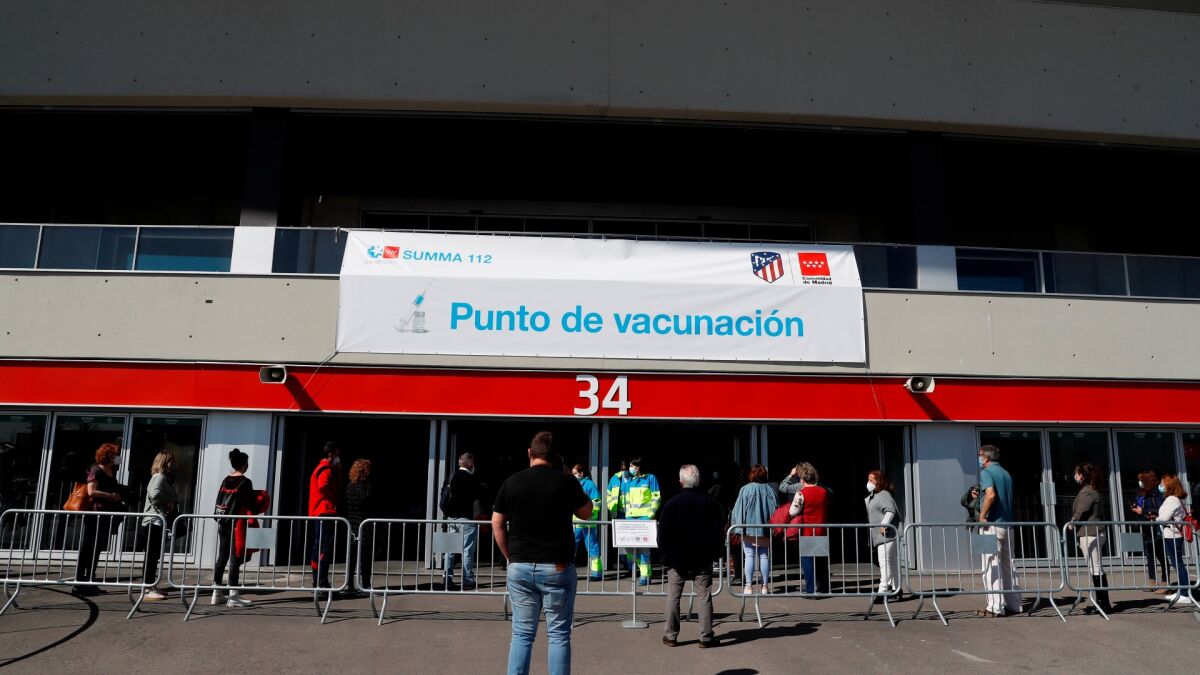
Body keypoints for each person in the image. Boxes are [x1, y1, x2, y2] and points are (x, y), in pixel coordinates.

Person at [491, 431, 592, 675]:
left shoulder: (512, 482)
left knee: (522, 634)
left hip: (520, 566)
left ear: (529, 452)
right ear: (555, 457)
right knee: (558, 634)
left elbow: (497, 522)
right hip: (557, 566)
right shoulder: (565, 482)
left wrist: (510, 556)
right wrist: (570, 475)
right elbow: (587, 512)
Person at [659, 464, 724, 649]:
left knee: (673, 597)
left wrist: (664, 555)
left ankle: (670, 636)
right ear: (699, 481)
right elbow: (717, 531)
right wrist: (715, 554)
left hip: (676, 558)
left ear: (681, 482)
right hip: (702, 558)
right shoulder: (709, 502)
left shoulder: (671, 503)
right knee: (704, 597)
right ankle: (705, 636)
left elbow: (662, 533)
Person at [71, 443, 127, 597]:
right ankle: (79, 582)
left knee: (97, 548)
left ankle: (90, 580)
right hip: (95, 514)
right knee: (88, 547)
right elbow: (92, 491)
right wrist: (110, 496)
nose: (118, 457)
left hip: (106, 514)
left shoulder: (110, 471)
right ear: (109, 456)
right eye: (116, 454)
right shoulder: (96, 470)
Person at [977, 444, 1023, 617]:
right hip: (1007, 524)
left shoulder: (986, 472)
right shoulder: (1005, 473)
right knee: (1008, 564)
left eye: (980, 455)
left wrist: (982, 516)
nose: (979, 458)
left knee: (990, 565)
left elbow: (991, 494)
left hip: (990, 525)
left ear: (986, 458)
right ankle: (1015, 604)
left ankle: (995, 607)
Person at [212, 448, 255, 608]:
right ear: (244, 465)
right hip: (237, 524)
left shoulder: (226, 480)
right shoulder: (245, 482)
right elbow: (251, 503)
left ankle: (216, 594)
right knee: (235, 558)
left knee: (222, 556)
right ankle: (233, 596)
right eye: (247, 463)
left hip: (223, 522)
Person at [1068, 463, 1111, 613]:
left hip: (1091, 533)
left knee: (1096, 567)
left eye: (1077, 473)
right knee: (1095, 567)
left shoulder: (1087, 491)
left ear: (1082, 475)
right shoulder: (1089, 490)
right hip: (1092, 532)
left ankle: (1103, 604)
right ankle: (1101, 603)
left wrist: (1072, 522)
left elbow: (1082, 510)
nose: (1075, 476)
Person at [611, 458, 661, 585]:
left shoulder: (650, 478)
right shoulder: (630, 481)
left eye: (632, 466)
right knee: (630, 550)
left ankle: (645, 574)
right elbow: (624, 498)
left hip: (645, 518)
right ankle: (645, 571)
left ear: (638, 467)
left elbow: (656, 497)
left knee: (644, 550)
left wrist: (651, 514)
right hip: (630, 518)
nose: (630, 468)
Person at [732, 464, 776, 595]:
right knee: (764, 556)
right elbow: (775, 509)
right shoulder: (770, 490)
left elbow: (738, 510)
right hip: (766, 528)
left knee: (749, 556)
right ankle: (765, 586)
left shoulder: (745, 489)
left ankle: (749, 586)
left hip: (748, 528)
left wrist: (737, 527)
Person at [140, 450, 178, 601]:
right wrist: (169, 500)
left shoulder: (160, 478)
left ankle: (151, 585)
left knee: (153, 556)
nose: (173, 464)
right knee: (151, 556)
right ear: (165, 462)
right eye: (171, 461)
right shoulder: (159, 477)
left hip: (156, 521)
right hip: (153, 521)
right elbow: (155, 495)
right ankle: (148, 588)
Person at [787, 462, 830, 594]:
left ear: (802, 479)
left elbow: (793, 511)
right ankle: (824, 588)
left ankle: (811, 588)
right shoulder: (824, 492)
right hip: (822, 530)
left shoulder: (801, 493)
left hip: (807, 531)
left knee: (807, 561)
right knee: (821, 561)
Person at [443, 452, 482, 590]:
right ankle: (467, 580)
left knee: (449, 550)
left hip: (451, 519)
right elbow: (478, 499)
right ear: (470, 463)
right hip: (466, 519)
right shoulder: (472, 479)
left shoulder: (451, 477)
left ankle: (447, 579)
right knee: (467, 551)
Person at [308, 441, 342, 589]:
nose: (338, 458)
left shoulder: (319, 468)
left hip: (318, 511)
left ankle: (318, 581)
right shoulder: (326, 469)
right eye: (337, 454)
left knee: (318, 546)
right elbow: (324, 485)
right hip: (325, 510)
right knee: (324, 548)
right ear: (331, 454)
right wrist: (333, 495)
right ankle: (321, 582)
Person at [1156, 474, 1193, 605]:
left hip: (1173, 535)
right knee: (1177, 563)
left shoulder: (1172, 499)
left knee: (1178, 564)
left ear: (1169, 485)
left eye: (1163, 483)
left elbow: (1163, 518)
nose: (1161, 485)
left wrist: (1156, 519)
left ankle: (1185, 593)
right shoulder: (1174, 499)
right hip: (1172, 535)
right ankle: (1182, 591)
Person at [865, 470, 901, 601]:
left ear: (879, 481)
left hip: (886, 535)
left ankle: (883, 590)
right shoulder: (874, 496)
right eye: (868, 480)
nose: (869, 483)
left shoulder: (884, 495)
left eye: (872, 480)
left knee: (884, 562)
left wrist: (884, 524)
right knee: (892, 562)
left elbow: (890, 511)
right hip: (882, 536)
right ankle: (897, 588)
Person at [344, 458, 377, 596]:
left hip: (351, 523)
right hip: (364, 524)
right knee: (365, 557)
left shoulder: (349, 487)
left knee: (351, 556)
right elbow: (370, 504)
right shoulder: (367, 487)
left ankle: (349, 583)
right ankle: (365, 585)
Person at [1130, 469, 1167, 592]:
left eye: (1141, 481)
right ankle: (1152, 583)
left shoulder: (1156, 495)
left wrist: (1143, 511)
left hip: (1156, 529)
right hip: (1146, 529)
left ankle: (1165, 583)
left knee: (1161, 556)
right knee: (1150, 556)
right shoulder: (1143, 494)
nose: (1139, 483)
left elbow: (1159, 510)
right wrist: (1136, 510)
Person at [571, 464, 603, 581]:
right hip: (577, 522)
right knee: (571, 547)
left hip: (587, 522)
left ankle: (596, 573)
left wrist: (590, 515)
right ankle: (570, 572)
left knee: (591, 546)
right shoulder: (573, 484)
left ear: (581, 474)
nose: (573, 475)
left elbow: (597, 501)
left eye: (575, 473)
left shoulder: (589, 484)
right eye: (573, 473)